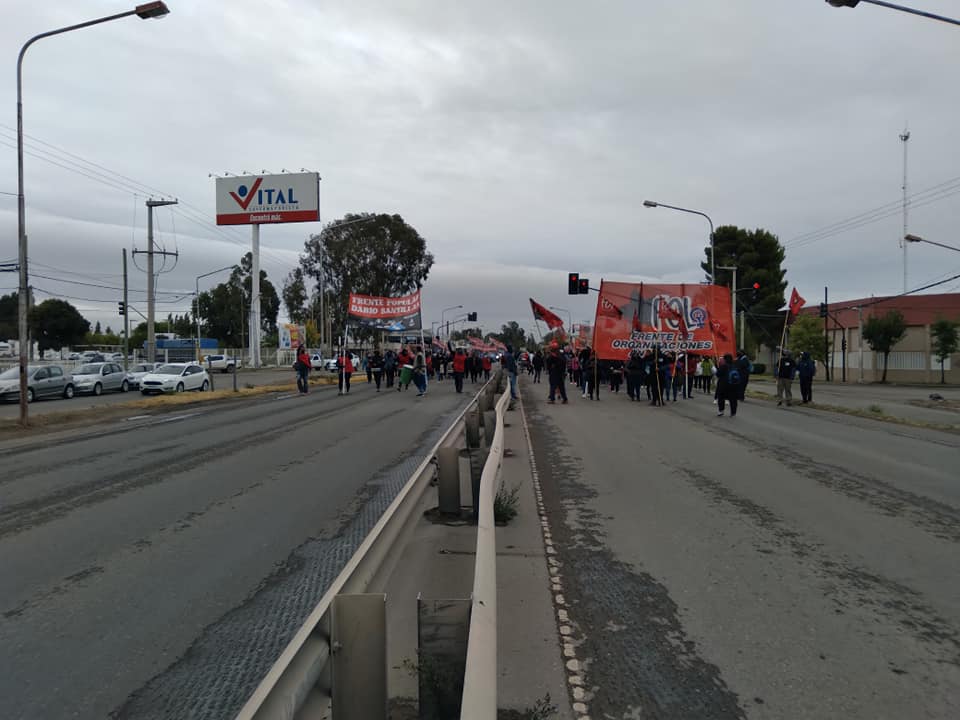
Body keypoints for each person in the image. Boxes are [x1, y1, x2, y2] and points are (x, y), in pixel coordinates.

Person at [715, 352, 739, 417]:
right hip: (733, 384)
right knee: (733, 399)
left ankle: (721, 411)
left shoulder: (723, 366)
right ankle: (733, 412)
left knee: (721, 397)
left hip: (723, 384)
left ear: (725, 359)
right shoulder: (735, 365)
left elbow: (718, 374)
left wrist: (718, 369)